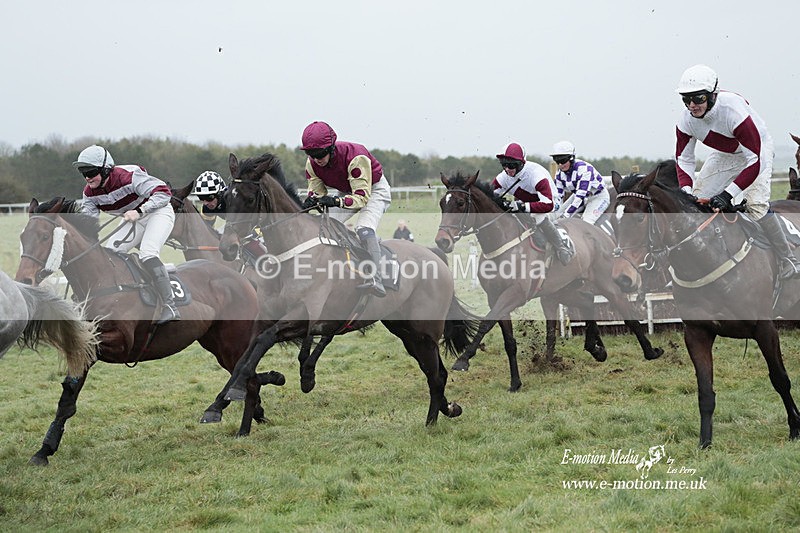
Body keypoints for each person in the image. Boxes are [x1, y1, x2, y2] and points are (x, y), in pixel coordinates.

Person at [675, 64, 800, 280]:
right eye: (686, 99)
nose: (692, 105)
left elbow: (755, 161)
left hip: (757, 152)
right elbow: (684, 159)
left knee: (756, 206)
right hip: (726, 154)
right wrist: (685, 192)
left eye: (698, 98)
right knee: (694, 206)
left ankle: (789, 258)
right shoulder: (685, 121)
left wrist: (727, 194)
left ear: (713, 95)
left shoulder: (733, 112)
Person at [73, 145, 179, 324]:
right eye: (83, 173)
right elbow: (88, 226)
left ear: (105, 170)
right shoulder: (89, 194)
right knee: (109, 255)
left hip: (158, 212)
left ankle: (170, 306)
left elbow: (163, 193)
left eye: (91, 172)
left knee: (148, 253)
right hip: (134, 219)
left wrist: (140, 211)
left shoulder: (128, 176)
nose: (87, 178)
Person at [300, 121, 392, 297]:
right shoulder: (312, 164)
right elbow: (317, 193)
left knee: (363, 228)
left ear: (331, 148)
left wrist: (334, 201)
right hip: (348, 191)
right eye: (311, 154)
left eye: (320, 153)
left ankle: (376, 278)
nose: (317, 159)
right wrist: (310, 203)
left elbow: (361, 198)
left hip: (373, 190)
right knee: (323, 227)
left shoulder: (356, 158)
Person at [492, 142, 574, 265]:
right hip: (528, 203)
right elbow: (490, 196)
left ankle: (561, 247)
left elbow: (548, 205)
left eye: (512, 165)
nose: (507, 169)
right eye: (504, 165)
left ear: (521, 163)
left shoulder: (536, 175)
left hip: (551, 204)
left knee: (536, 216)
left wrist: (522, 206)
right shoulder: (503, 177)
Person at [191, 170, 266, 265]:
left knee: (247, 240)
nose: (206, 203)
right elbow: (208, 231)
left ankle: (268, 262)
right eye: (201, 198)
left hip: (259, 222)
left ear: (220, 193)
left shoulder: (234, 201)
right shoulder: (207, 207)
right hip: (236, 224)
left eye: (209, 197)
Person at [550, 140, 610, 225]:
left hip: (598, 197)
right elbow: (558, 197)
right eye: (557, 161)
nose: (560, 165)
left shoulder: (585, 170)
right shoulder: (559, 174)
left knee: (587, 222)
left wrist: (566, 215)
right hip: (578, 196)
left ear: (571, 158)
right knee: (554, 217)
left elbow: (580, 197)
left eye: (563, 160)